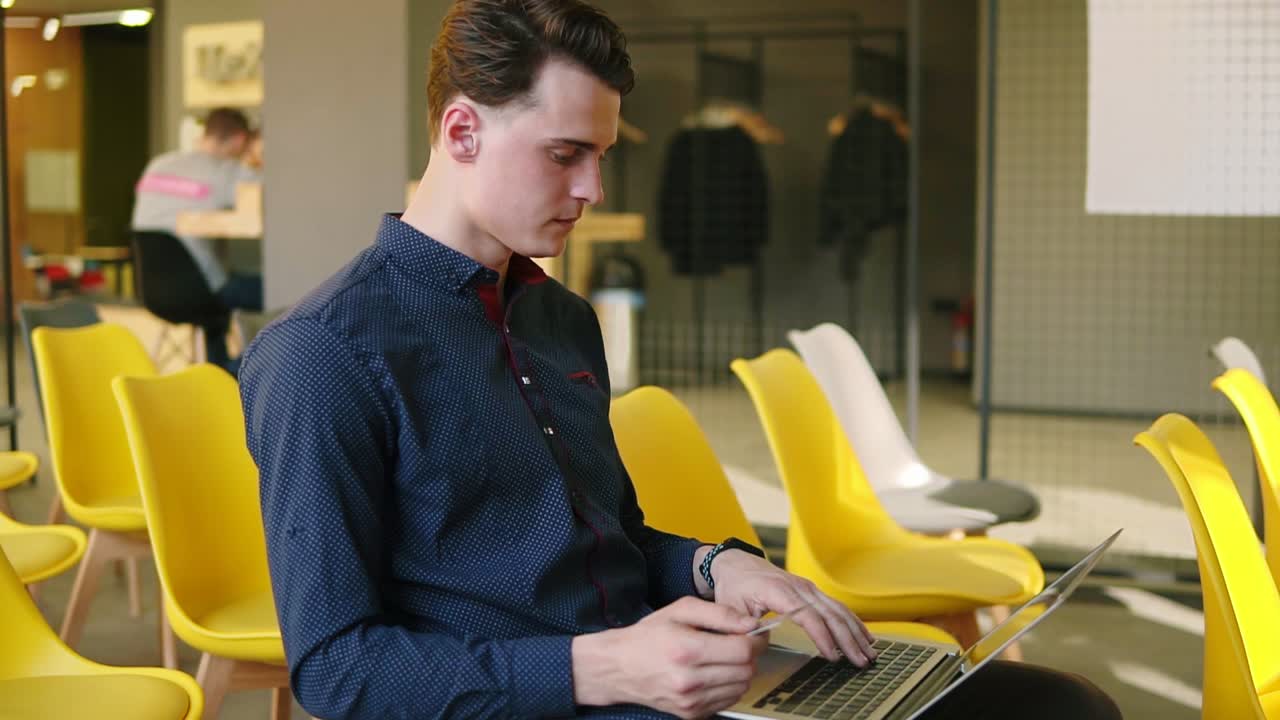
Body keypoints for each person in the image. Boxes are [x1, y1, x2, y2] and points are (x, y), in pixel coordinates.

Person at [238, 1, 1123, 718]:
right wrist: (606, 668)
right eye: (565, 155)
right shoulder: (320, 355)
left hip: (675, 682)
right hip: (556, 701)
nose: (592, 189)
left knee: (1061, 704)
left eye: (600, 156)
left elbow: (612, 537)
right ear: (461, 131)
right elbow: (338, 672)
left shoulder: (561, 320)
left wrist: (716, 566)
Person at [131, 107, 263, 370]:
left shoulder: (157, 165)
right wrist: (256, 156)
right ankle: (241, 369)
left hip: (153, 293)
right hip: (204, 290)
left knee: (216, 306)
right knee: (278, 290)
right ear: (239, 140)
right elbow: (273, 191)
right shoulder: (227, 171)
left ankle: (217, 368)